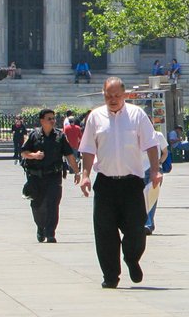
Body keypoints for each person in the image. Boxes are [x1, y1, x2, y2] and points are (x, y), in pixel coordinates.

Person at [78, 77, 163, 289]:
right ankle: (110, 276)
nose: (113, 99)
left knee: (136, 229)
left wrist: (154, 171)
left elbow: (151, 144)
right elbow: (88, 148)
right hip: (105, 183)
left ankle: (132, 258)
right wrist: (85, 174)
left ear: (125, 95)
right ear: (103, 94)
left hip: (131, 183)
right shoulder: (95, 117)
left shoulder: (137, 115)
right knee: (104, 231)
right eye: (108, 96)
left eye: (117, 96)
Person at [21, 108, 82, 243]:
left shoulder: (60, 136)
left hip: (54, 176)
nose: (53, 121)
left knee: (53, 204)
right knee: (37, 205)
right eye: (49, 119)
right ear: (42, 121)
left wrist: (77, 172)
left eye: (53, 118)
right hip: (36, 176)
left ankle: (50, 232)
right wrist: (34, 156)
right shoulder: (33, 135)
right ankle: (40, 227)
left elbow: (69, 155)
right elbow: (23, 152)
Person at [143, 130, 169, 235]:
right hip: (139, 170)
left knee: (152, 197)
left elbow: (165, 152)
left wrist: (159, 162)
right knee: (142, 198)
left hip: (155, 169)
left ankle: (147, 224)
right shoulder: (135, 134)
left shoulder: (158, 135)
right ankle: (148, 223)